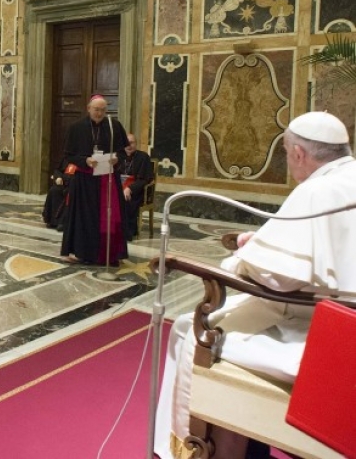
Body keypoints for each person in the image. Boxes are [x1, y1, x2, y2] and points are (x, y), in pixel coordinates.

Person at [154, 111, 356, 459]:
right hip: (337, 319)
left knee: (191, 331)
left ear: (298, 154)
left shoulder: (317, 191)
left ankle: (196, 450)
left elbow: (276, 278)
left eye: (287, 155)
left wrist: (239, 260)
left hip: (314, 333)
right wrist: (261, 240)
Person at [59, 95, 129, 265]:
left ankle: (110, 253)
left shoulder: (114, 126)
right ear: (88, 108)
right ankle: (84, 253)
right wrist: (86, 161)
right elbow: (69, 156)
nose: (99, 113)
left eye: (103, 110)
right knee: (85, 218)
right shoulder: (76, 127)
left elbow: (122, 152)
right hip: (84, 180)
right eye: (96, 109)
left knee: (110, 217)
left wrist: (116, 159)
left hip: (107, 180)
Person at [117, 133, 153, 240]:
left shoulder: (143, 157)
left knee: (127, 199)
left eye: (131, 142)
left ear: (136, 144)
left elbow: (145, 179)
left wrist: (130, 188)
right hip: (119, 187)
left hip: (136, 190)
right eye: (126, 143)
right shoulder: (118, 156)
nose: (129, 145)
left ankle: (127, 232)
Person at [41, 158, 75, 231]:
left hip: (74, 186)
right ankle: (52, 220)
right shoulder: (66, 158)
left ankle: (62, 222)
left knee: (68, 193)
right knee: (54, 190)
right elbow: (58, 170)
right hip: (63, 183)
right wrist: (58, 177)